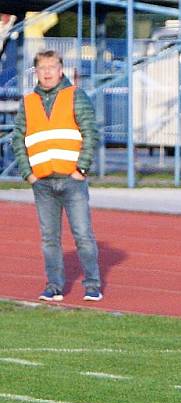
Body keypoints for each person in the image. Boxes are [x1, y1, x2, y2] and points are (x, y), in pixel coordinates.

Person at [12, 48, 101, 302]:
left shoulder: (75, 95)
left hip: (72, 180)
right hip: (42, 182)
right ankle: (53, 286)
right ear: (36, 72)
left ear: (61, 70)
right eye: (42, 68)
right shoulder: (28, 102)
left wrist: (81, 169)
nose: (47, 72)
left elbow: (90, 133)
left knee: (82, 235)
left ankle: (92, 284)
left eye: (52, 67)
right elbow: (18, 138)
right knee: (49, 238)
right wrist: (27, 174)